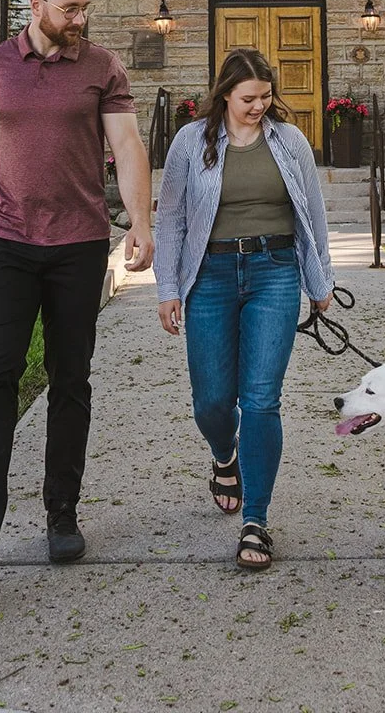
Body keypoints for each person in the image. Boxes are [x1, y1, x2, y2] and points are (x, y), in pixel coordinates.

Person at [0, 0, 153, 588]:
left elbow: (128, 146)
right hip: (5, 244)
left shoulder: (103, 67)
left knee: (70, 380)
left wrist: (140, 222)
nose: (81, 19)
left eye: (86, 7)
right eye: (70, 9)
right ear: (36, 5)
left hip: (79, 246)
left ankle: (62, 513)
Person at [155, 48, 333, 571]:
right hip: (208, 276)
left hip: (273, 271)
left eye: (266, 97)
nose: (259, 106)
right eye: (249, 98)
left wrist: (320, 280)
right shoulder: (192, 141)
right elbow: (170, 219)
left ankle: (255, 520)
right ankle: (224, 454)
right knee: (212, 401)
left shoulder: (289, 140)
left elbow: (313, 212)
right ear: (226, 95)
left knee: (260, 399)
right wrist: (168, 287)